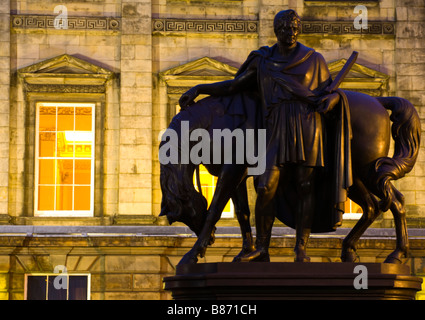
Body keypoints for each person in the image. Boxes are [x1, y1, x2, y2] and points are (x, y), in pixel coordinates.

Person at [179, 9, 349, 262]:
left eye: (294, 28)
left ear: (298, 29)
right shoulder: (264, 60)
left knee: (305, 186)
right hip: (276, 125)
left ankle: (301, 248)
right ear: (276, 31)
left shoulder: (315, 59)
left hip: (307, 124)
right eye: (284, 29)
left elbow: (328, 91)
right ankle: (261, 248)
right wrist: (199, 88)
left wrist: (335, 98)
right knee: (264, 185)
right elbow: (234, 86)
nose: (290, 33)